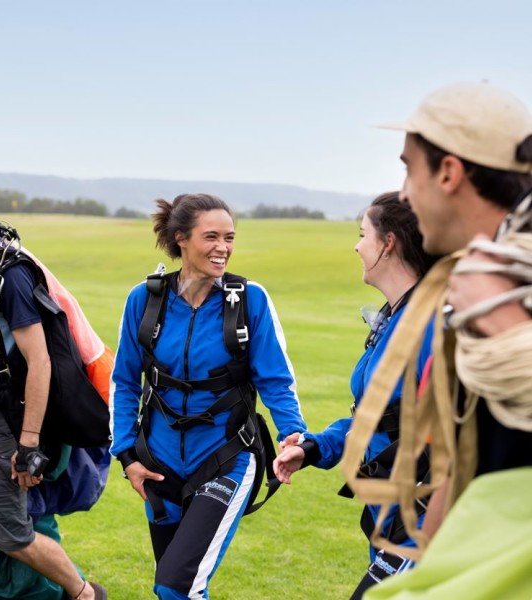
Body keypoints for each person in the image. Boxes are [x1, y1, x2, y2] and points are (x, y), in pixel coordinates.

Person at [344, 82, 532, 599]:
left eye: (409, 168)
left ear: (448, 172)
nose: (404, 192)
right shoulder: (467, 294)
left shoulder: (497, 297)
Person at [110, 192, 307, 599]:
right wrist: (127, 455)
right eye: (211, 237)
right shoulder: (144, 300)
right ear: (180, 238)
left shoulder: (249, 300)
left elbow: (276, 379)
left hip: (225, 456)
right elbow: (125, 381)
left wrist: (293, 432)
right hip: (158, 462)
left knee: (176, 586)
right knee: (174, 587)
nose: (223, 249)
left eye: (230, 238)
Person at [0, 165, 106, 600]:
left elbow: (40, 360)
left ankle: (83, 592)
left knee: (11, 535)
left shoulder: (8, 273)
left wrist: (29, 444)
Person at [273, 192, 436, 599]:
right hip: (388, 515)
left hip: (423, 521)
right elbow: (377, 418)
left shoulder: (432, 321)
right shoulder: (395, 315)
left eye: (363, 234)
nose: (357, 245)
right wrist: (313, 448)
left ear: (389, 243)